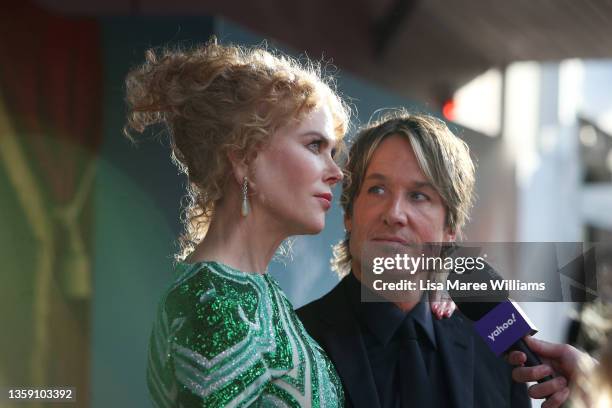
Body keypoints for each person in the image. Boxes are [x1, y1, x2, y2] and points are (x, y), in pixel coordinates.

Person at [124, 41, 453, 407]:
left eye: (333, 152)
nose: (336, 172)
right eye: (315, 146)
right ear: (244, 158)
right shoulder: (213, 301)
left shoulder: (254, 294)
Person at [297, 110, 531, 407]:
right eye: (377, 189)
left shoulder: (496, 348)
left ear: (450, 229)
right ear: (348, 214)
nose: (394, 214)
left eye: (419, 196)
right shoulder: (297, 340)